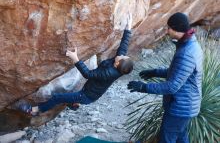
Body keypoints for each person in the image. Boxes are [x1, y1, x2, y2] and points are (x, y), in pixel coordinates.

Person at [20, 13, 134, 115]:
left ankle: (34, 110)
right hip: (92, 92)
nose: (123, 54)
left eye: (123, 56)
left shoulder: (108, 73)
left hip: (86, 95)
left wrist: (75, 59)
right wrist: (128, 29)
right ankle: (74, 103)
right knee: (69, 95)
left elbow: (87, 74)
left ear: (117, 63)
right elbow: (123, 47)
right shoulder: (120, 66)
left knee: (57, 97)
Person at [127, 12, 203, 143]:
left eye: (169, 28)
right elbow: (181, 73)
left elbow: (172, 86)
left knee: (167, 139)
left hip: (180, 107)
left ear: (176, 29)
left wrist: (143, 87)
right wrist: (155, 72)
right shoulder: (191, 45)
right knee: (180, 136)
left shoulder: (185, 53)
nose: (167, 31)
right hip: (188, 105)